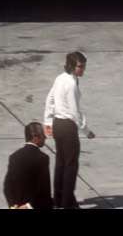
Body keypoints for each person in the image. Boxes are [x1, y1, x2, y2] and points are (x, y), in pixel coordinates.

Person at [43, 50, 93, 208]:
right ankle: (67, 202)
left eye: (84, 66)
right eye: (80, 66)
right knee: (71, 166)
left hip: (58, 124)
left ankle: (58, 199)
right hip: (68, 126)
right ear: (72, 66)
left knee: (60, 163)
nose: (83, 69)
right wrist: (86, 130)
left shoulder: (60, 78)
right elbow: (74, 111)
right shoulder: (71, 83)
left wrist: (48, 121)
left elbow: (50, 99)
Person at [3, 121, 52, 209]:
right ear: (34, 137)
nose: (45, 137)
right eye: (42, 134)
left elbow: (8, 185)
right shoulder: (42, 158)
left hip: (17, 205)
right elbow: (44, 189)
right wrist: (29, 206)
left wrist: (13, 205)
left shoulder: (14, 157)